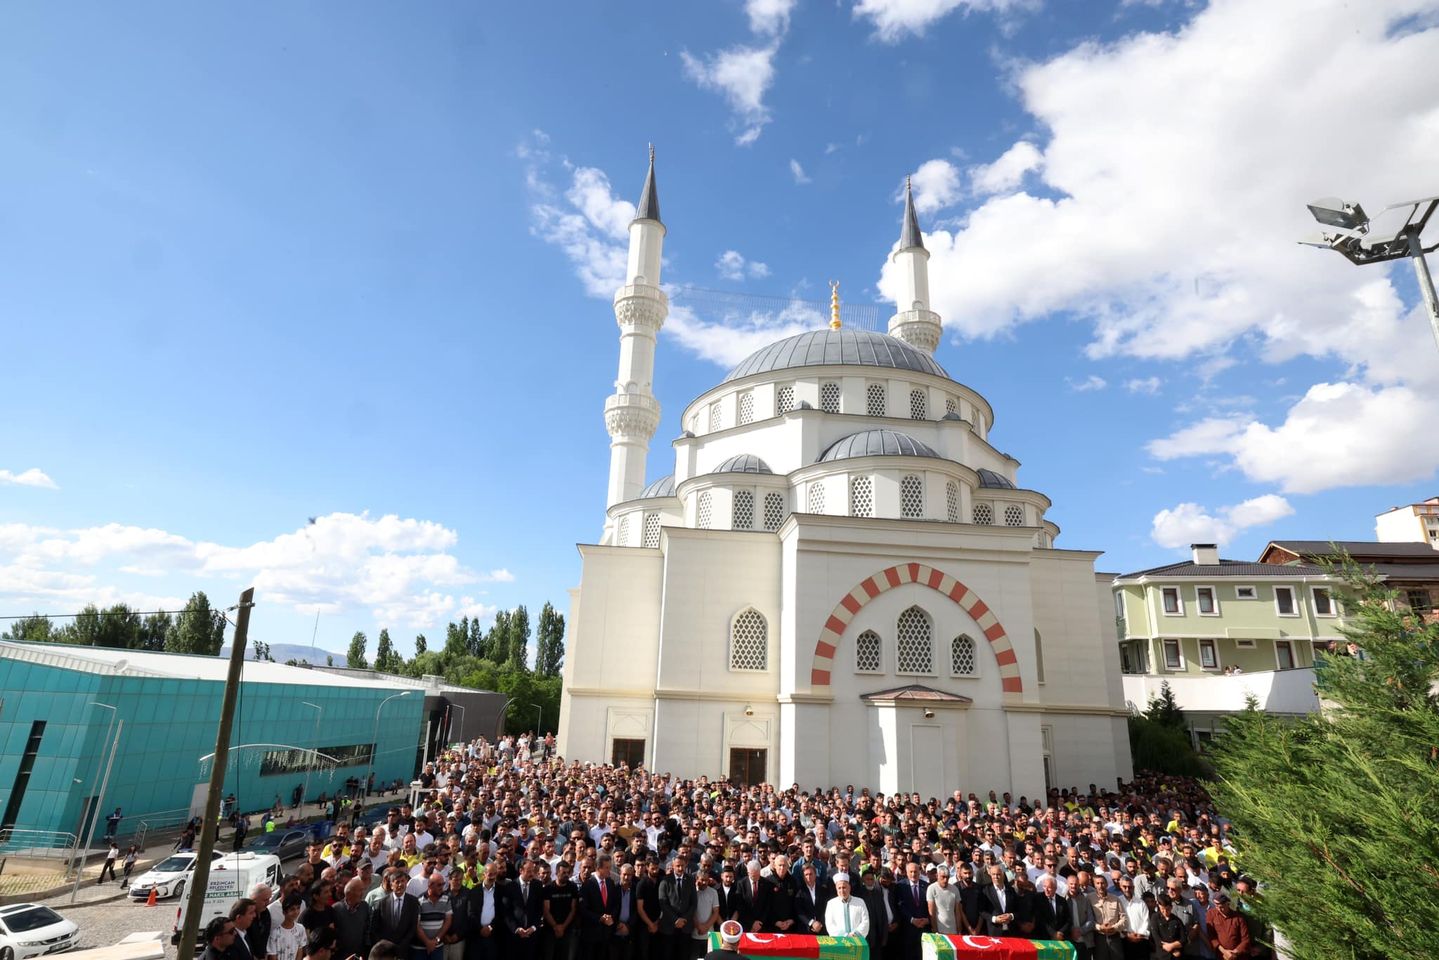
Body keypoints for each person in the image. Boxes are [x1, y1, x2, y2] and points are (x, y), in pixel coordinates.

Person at [369, 870, 420, 957]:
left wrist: (402, 945)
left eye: (403, 881)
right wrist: (382, 945)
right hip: (384, 952)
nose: (400, 884)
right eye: (397, 882)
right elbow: (374, 927)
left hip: (404, 950)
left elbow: (413, 927)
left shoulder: (413, 902)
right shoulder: (382, 903)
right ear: (391, 885)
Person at [579, 853, 620, 960]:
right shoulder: (588, 885)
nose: (609, 870)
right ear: (598, 868)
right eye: (606, 868)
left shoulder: (610, 883)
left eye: (610, 867)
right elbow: (583, 909)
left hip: (606, 933)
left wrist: (611, 917)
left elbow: (615, 904)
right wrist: (600, 918)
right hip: (591, 933)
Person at [416, 873, 452, 960]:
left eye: (443, 884)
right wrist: (427, 942)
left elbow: (448, 920)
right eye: (439, 885)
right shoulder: (419, 900)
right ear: (430, 885)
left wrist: (436, 940)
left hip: (438, 947)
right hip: (419, 948)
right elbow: (416, 925)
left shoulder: (446, 899)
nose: (442, 887)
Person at [334, 878, 372, 960]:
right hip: (341, 955)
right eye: (360, 891)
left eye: (363, 890)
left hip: (359, 955)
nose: (362, 894)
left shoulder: (365, 907)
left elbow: (367, 929)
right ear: (348, 894)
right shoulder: (336, 909)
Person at [1206, 893, 1250, 960]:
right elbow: (1211, 936)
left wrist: (1234, 953)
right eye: (1216, 906)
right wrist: (1224, 951)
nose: (1219, 909)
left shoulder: (1238, 918)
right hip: (1221, 955)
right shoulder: (1211, 914)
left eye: (1222, 907)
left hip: (1238, 956)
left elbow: (1245, 939)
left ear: (1227, 903)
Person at [824, 874, 869, 938]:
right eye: (839, 888)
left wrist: (855, 934)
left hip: (857, 941)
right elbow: (830, 925)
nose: (842, 891)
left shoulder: (860, 902)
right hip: (840, 943)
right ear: (836, 889)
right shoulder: (831, 904)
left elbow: (865, 922)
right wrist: (845, 935)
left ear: (849, 887)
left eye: (844, 887)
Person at [268, 894, 308, 960]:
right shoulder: (274, 933)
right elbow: (273, 956)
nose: (296, 912)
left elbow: (300, 951)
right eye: (292, 909)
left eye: (298, 908)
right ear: (284, 912)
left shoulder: (301, 929)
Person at [1034, 875, 1072, 942]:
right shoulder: (1038, 899)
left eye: (1049, 888)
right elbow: (1040, 918)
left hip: (1060, 938)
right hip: (1044, 938)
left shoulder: (1062, 901)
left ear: (1055, 888)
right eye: (1044, 886)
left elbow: (1068, 919)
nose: (1046, 890)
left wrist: (1060, 933)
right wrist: (1053, 933)